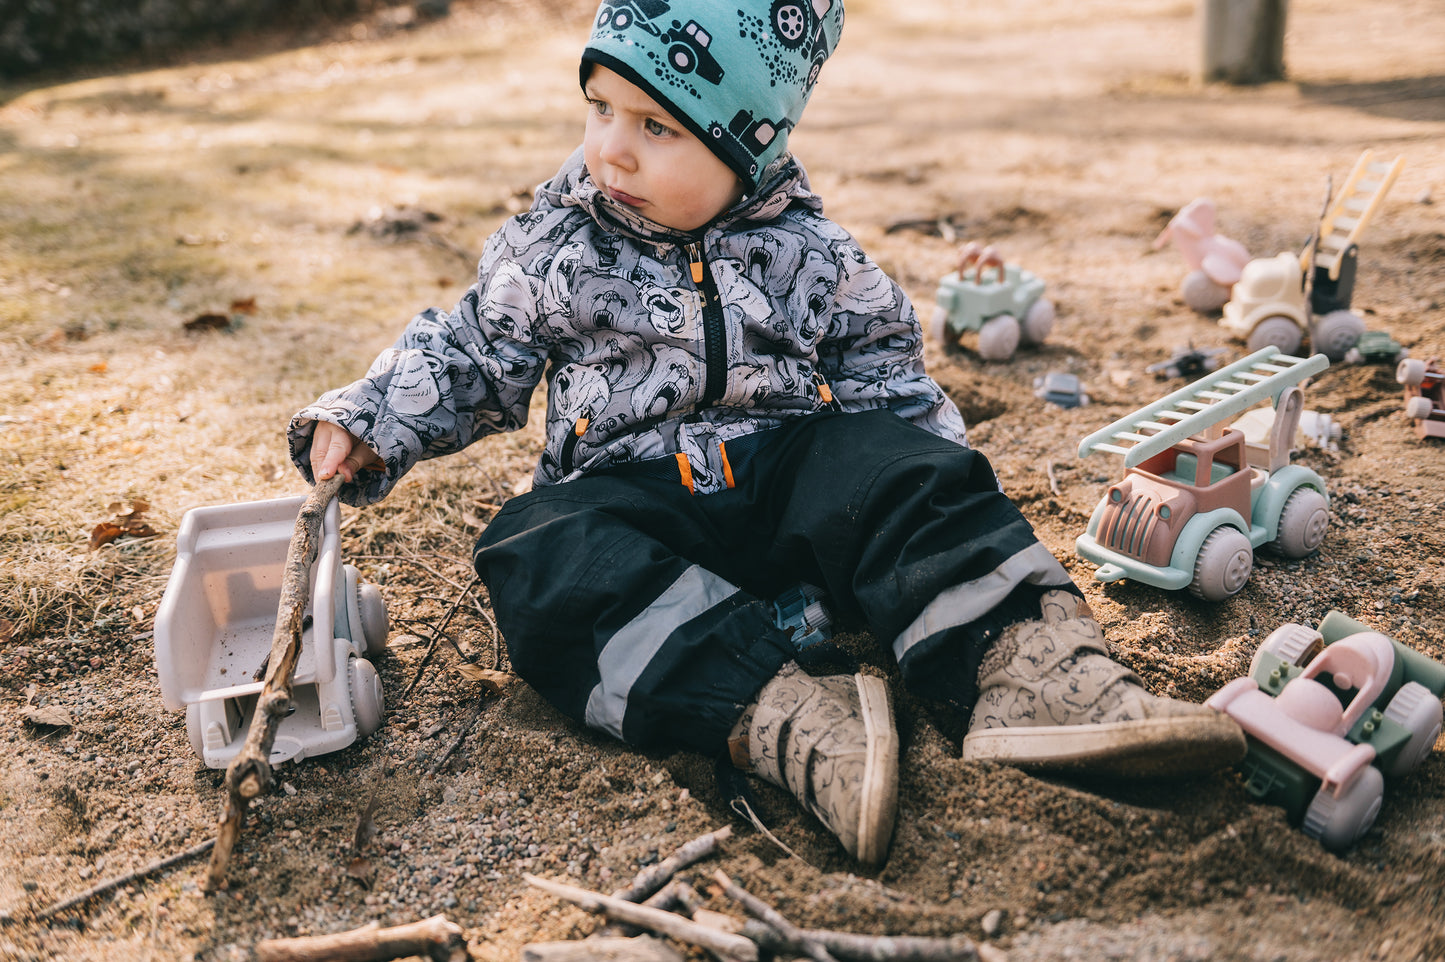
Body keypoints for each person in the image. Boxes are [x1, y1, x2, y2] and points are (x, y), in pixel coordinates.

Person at [289, 0, 1246, 868]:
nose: (610, 152)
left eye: (657, 127)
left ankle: (1023, 667)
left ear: (746, 147)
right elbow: (467, 347)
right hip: (635, 505)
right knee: (529, 551)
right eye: (600, 108)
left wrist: (915, 480)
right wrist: (372, 420)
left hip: (790, 485)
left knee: (905, 472)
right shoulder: (554, 249)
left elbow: (887, 383)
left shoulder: (812, 254)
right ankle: (783, 710)